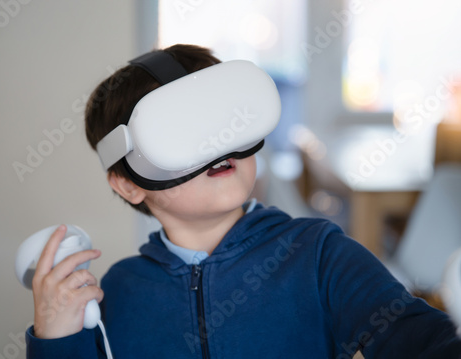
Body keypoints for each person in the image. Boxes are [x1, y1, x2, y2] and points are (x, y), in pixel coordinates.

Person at [25, 44, 461, 358]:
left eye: (224, 120)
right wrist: (57, 337)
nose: (217, 144)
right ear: (128, 183)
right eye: (180, 133)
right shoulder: (118, 293)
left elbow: (422, 341)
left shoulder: (318, 255)